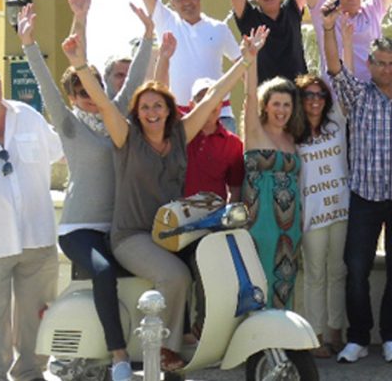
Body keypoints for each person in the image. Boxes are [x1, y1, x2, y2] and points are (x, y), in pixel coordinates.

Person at [63, 21, 265, 371]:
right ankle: (165, 351)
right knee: (175, 276)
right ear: (137, 114)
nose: (152, 112)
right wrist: (80, 64)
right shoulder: (127, 140)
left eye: (158, 106)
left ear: (170, 110)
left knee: (214, 258)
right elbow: (104, 104)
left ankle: (202, 335)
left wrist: (245, 61)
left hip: (171, 234)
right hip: (132, 236)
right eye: (145, 108)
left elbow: (215, 94)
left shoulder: (180, 136)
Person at [18, 0, 151, 381]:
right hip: (79, 229)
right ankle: (120, 355)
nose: (89, 100)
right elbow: (48, 80)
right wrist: (28, 44)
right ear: (72, 98)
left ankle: (157, 348)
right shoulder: (69, 124)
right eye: (80, 94)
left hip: (121, 226)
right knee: (105, 272)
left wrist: (147, 35)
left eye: (92, 91)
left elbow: (138, 75)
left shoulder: (117, 113)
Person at [322, 0, 392, 364]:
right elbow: (335, 68)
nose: (386, 70)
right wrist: (327, 29)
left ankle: (391, 336)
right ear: (370, 64)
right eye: (380, 63)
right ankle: (357, 337)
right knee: (355, 269)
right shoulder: (358, 96)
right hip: (364, 197)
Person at [0, 55, 63, 381]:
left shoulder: (28, 117)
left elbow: (63, 152)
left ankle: (31, 373)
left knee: (38, 316)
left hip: (36, 236)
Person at [111, 0, 242, 131]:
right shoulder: (167, 22)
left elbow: (243, 67)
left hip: (221, 116)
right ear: (172, 3)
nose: (187, 2)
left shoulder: (219, 28)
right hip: (180, 118)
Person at [242, 55, 305, 309]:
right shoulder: (256, 132)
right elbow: (248, 96)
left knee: (286, 274)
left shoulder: (292, 139)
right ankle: (259, 336)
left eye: (287, 105)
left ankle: (281, 336)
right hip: (260, 218)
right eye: (276, 104)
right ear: (265, 105)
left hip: (290, 224)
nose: (281, 110)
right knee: (259, 271)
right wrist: (252, 58)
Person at [295, 73, 349, 358]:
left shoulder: (336, 123)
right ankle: (314, 335)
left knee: (338, 271)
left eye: (320, 95)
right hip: (312, 214)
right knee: (315, 274)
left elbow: (340, 71)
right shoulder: (293, 133)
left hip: (340, 209)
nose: (315, 101)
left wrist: (339, 33)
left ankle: (335, 331)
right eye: (309, 95)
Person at [181, 78, 245, 202]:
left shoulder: (233, 143)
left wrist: (227, 217)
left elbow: (235, 188)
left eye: (212, 98)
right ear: (191, 104)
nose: (208, 103)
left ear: (221, 104)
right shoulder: (178, 133)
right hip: (175, 216)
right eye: (201, 99)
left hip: (214, 218)